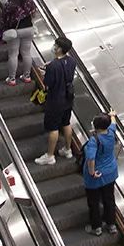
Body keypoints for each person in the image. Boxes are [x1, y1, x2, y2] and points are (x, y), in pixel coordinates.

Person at [35, 36, 77, 166]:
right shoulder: (71, 61)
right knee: (66, 123)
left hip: (55, 101)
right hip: (68, 98)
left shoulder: (53, 66)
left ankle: (50, 156)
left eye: (56, 45)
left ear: (59, 49)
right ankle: (68, 150)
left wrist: (45, 73)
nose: (54, 47)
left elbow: (48, 84)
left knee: (53, 128)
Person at [82, 112, 119, 236]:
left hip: (96, 177)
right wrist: (112, 114)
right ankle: (111, 225)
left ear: (96, 126)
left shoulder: (94, 140)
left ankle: (96, 227)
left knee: (94, 202)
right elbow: (113, 122)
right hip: (111, 172)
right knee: (109, 199)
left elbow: (91, 159)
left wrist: (92, 173)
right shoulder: (111, 132)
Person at [0, 0, 36, 85]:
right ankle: (27, 76)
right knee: (26, 53)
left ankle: (12, 79)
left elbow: (3, 19)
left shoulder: (10, 4)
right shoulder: (29, 1)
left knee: (13, 54)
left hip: (14, 32)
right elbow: (34, 13)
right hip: (29, 29)